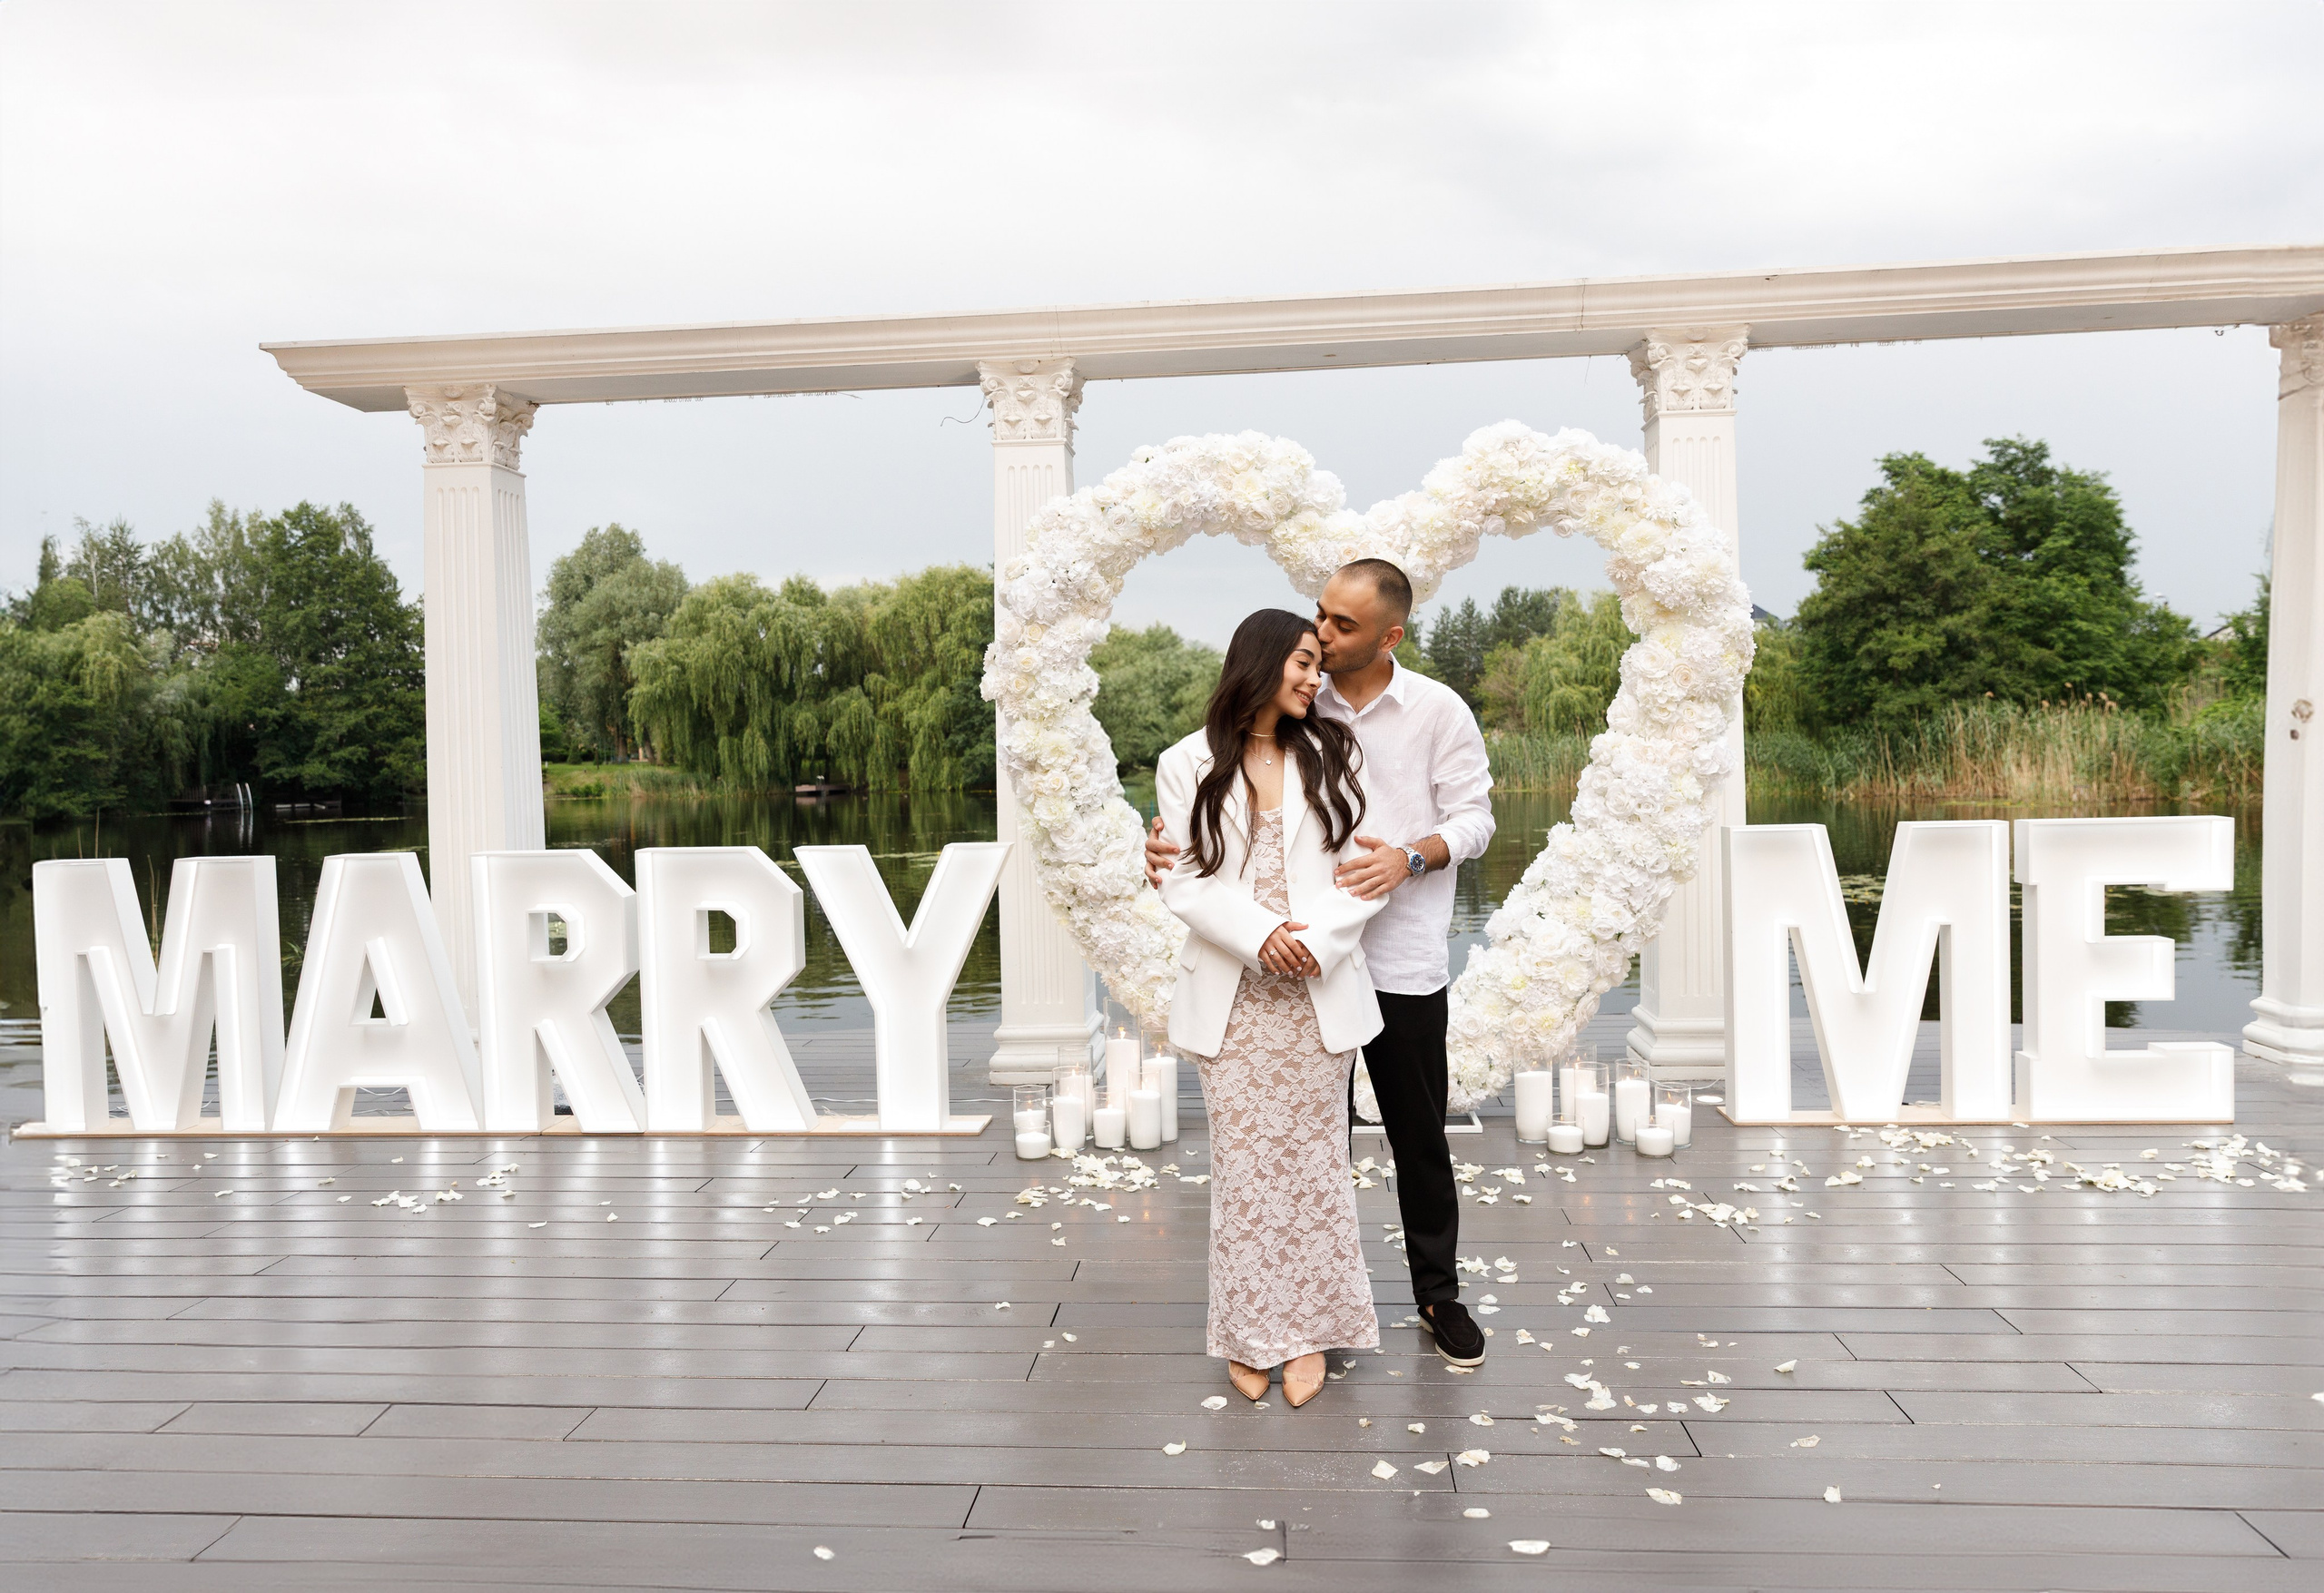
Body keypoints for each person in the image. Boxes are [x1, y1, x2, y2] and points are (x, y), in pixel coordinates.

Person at [1149, 558, 1495, 1368]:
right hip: (1278, 978)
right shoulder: (1298, 715)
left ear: (1389, 635)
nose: (1326, 639)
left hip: (1396, 955)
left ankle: (1436, 1294)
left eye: (1341, 629)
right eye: (1317, 624)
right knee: (1303, 1152)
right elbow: (1203, 842)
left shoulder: (1435, 710)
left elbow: (1475, 818)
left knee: (1418, 1133)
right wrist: (1163, 849)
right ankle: (1289, 1314)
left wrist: (1411, 856)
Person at [1155, 608, 1388, 1407]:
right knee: (1247, 1171)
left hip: (1316, 988)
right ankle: (1250, 1332)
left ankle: (1312, 1331)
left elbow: (1364, 873)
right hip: (1236, 994)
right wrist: (1262, 937)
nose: (1313, 676)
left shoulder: (1334, 751)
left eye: (1319, 664)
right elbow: (1183, 877)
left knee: (1316, 1167)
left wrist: (1313, 942)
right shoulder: (1186, 761)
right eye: (1300, 660)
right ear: (1258, 660)